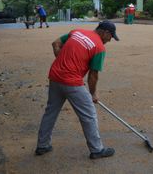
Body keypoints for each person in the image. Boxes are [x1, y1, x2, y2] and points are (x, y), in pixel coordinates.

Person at [35, 20, 120, 159]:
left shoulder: (77, 31)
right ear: (105, 33)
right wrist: (93, 94)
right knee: (89, 115)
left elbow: (55, 43)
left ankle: (42, 146)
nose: (109, 41)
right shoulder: (99, 47)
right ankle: (97, 150)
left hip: (55, 76)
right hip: (71, 82)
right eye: (110, 37)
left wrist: (63, 62)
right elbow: (93, 75)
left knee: (50, 112)